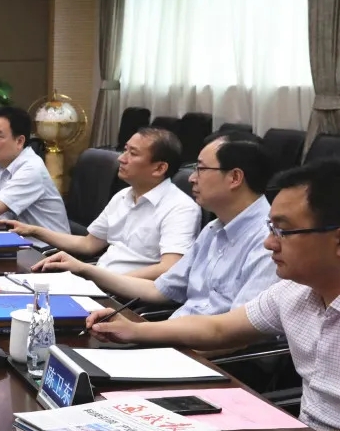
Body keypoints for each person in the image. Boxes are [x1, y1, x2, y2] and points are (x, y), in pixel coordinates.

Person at [85, 159, 340, 431]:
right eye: (271, 228)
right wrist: (135, 330)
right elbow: (218, 328)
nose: (269, 243)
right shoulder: (293, 292)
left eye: (283, 231)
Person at [36, 131, 279, 318]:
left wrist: (143, 334)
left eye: (201, 169)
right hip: (173, 335)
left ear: (235, 178)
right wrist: (85, 271)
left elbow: (237, 333)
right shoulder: (214, 229)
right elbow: (159, 290)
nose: (192, 178)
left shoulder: (269, 241)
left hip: (206, 355)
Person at [0, 128, 200, 279]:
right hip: (98, 281)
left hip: (127, 296)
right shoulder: (123, 196)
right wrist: (33, 230)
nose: (121, 158)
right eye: (125, 150)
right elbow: (88, 244)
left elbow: (168, 268)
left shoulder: (180, 208)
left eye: (133, 153)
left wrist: (103, 278)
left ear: (159, 168)